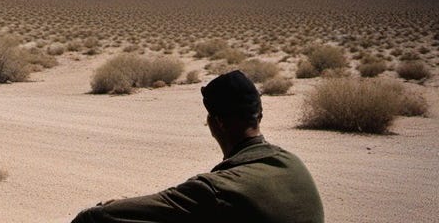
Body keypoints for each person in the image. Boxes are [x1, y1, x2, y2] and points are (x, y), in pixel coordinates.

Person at [71, 70, 324, 223]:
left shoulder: (216, 189)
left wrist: (117, 207)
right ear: (259, 116)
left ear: (218, 123)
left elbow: (100, 218)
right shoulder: (293, 163)